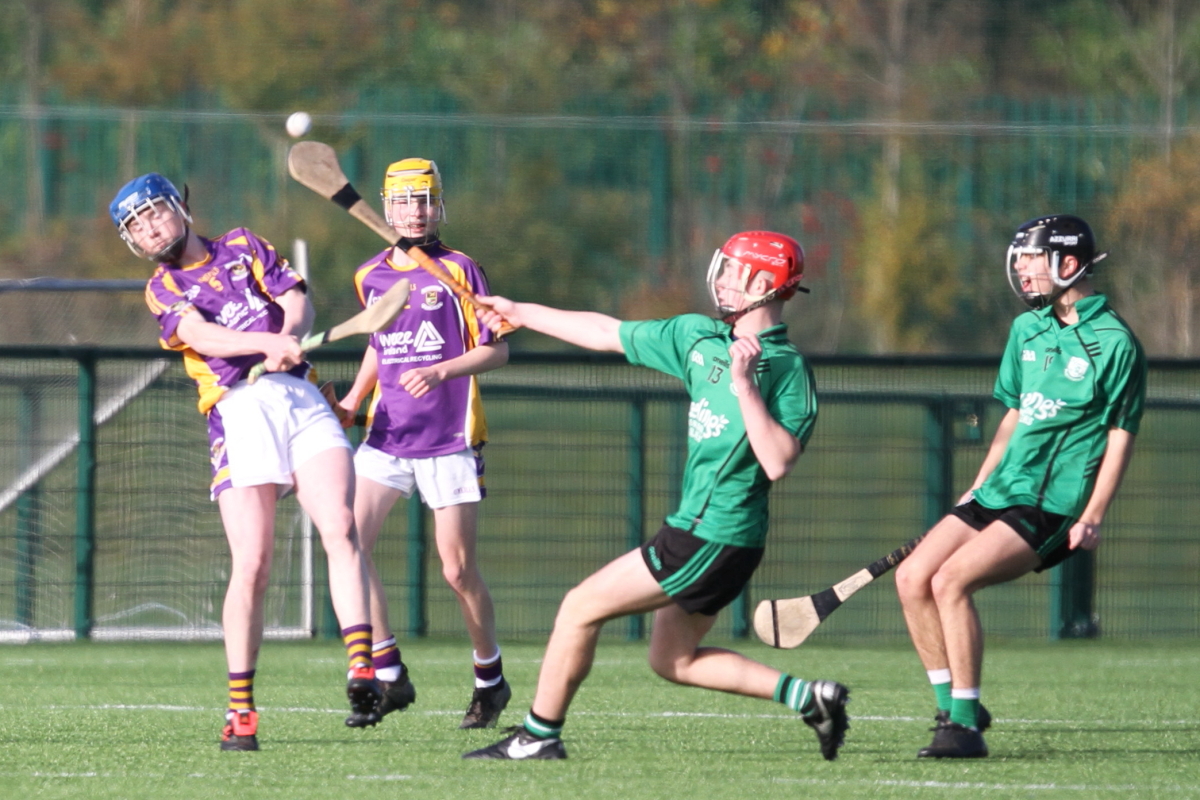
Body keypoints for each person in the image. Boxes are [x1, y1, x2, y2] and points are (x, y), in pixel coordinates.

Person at [462, 230, 850, 761]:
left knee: (578, 607)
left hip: (714, 536)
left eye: (734, 270)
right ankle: (812, 699)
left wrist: (745, 385)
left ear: (764, 283)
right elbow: (605, 332)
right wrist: (520, 311)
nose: (722, 278)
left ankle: (536, 736)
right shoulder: (696, 336)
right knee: (673, 660)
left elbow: (778, 461)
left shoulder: (786, 370)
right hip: (704, 533)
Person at [110, 173, 380, 751]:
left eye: (153, 213)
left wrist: (288, 336)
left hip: (301, 396)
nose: (148, 227)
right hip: (238, 411)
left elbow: (295, 299)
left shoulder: (241, 244)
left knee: (340, 524)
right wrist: (263, 345)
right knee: (253, 563)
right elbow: (200, 334)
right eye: (135, 225)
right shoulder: (162, 288)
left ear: (180, 207)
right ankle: (241, 710)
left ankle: (364, 667)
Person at [894, 214, 1146, 759]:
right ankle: (955, 708)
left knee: (952, 581)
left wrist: (1093, 514)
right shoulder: (1025, 329)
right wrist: (977, 485)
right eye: (1021, 259)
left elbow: (1120, 436)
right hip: (1000, 490)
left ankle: (964, 730)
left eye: (1032, 259)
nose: (1021, 269)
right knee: (914, 577)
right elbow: (1012, 417)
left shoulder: (1115, 344)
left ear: (1069, 264)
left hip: (1051, 504)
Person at [335, 159, 512, 729]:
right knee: (348, 543)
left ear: (440, 205)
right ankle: (388, 673)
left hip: (449, 438)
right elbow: (377, 342)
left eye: (425, 200)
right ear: (387, 208)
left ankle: (491, 679)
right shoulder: (371, 276)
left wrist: (442, 371)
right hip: (388, 436)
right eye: (405, 201)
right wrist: (353, 401)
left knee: (457, 571)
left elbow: (498, 349)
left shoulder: (461, 271)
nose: (415, 211)